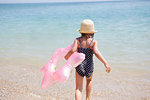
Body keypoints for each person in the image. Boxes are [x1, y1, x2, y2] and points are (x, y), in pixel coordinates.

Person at [65, 19, 111, 100]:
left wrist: (67, 57)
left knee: (78, 88)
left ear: (81, 31)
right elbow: (96, 52)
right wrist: (105, 63)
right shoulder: (93, 42)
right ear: (92, 32)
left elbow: (72, 50)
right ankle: (88, 98)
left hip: (79, 65)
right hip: (89, 65)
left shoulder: (77, 40)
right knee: (89, 81)